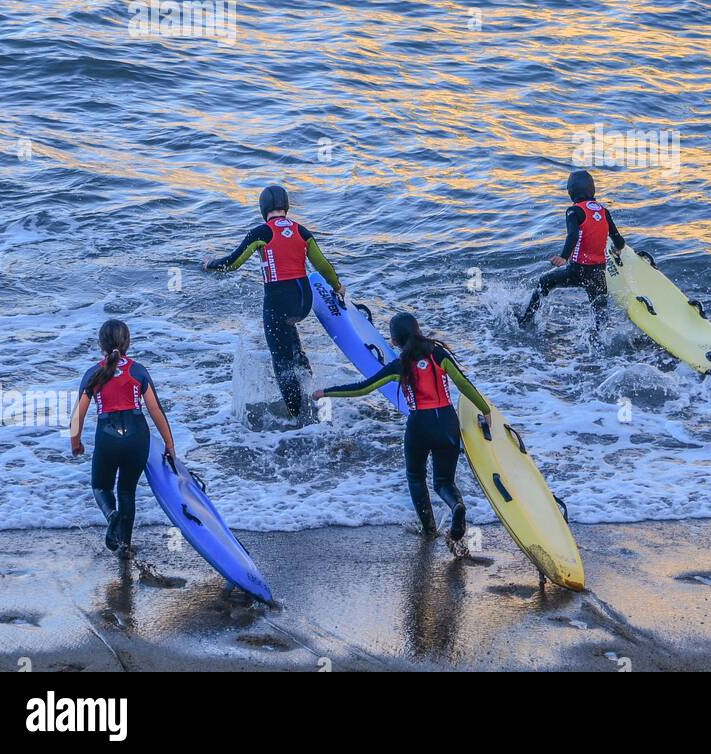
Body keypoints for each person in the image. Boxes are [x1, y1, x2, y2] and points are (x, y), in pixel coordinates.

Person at [314, 313, 490, 554]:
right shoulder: (438, 354)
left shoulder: (400, 365)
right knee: (444, 482)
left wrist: (325, 392)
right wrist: (485, 409)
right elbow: (463, 382)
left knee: (416, 477)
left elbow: (362, 388)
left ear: (395, 341)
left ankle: (428, 530)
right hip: (447, 423)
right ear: (417, 330)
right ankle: (457, 505)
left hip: (419, 426)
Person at [203, 185, 346, 419]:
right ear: (285, 207)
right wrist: (337, 287)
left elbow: (234, 262)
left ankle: (295, 414)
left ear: (263, 208)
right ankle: (312, 396)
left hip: (279, 303)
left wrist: (210, 264)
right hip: (303, 302)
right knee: (294, 350)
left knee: (281, 362)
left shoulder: (261, 233)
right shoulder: (302, 231)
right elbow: (323, 266)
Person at [69, 320, 176, 559]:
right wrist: (169, 443)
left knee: (101, 487)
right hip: (138, 435)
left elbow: (78, 415)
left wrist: (75, 443)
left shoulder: (93, 373)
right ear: (127, 342)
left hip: (108, 437)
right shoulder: (138, 370)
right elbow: (155, 410)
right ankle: (124, 548)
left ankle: (111, 516)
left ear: (101, 345)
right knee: (127, 491)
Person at [518, 169, 626, 329]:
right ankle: (601, 345)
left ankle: (525, 322)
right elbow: (619, 241)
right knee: (600, 316)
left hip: (578, 270)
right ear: (593, 190)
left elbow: (573, 235)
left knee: (544, 282)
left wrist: (564, 257)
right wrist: (616, 251)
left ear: (570, 193)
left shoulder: (573, 211)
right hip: (599, 273)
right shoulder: (604, 211)